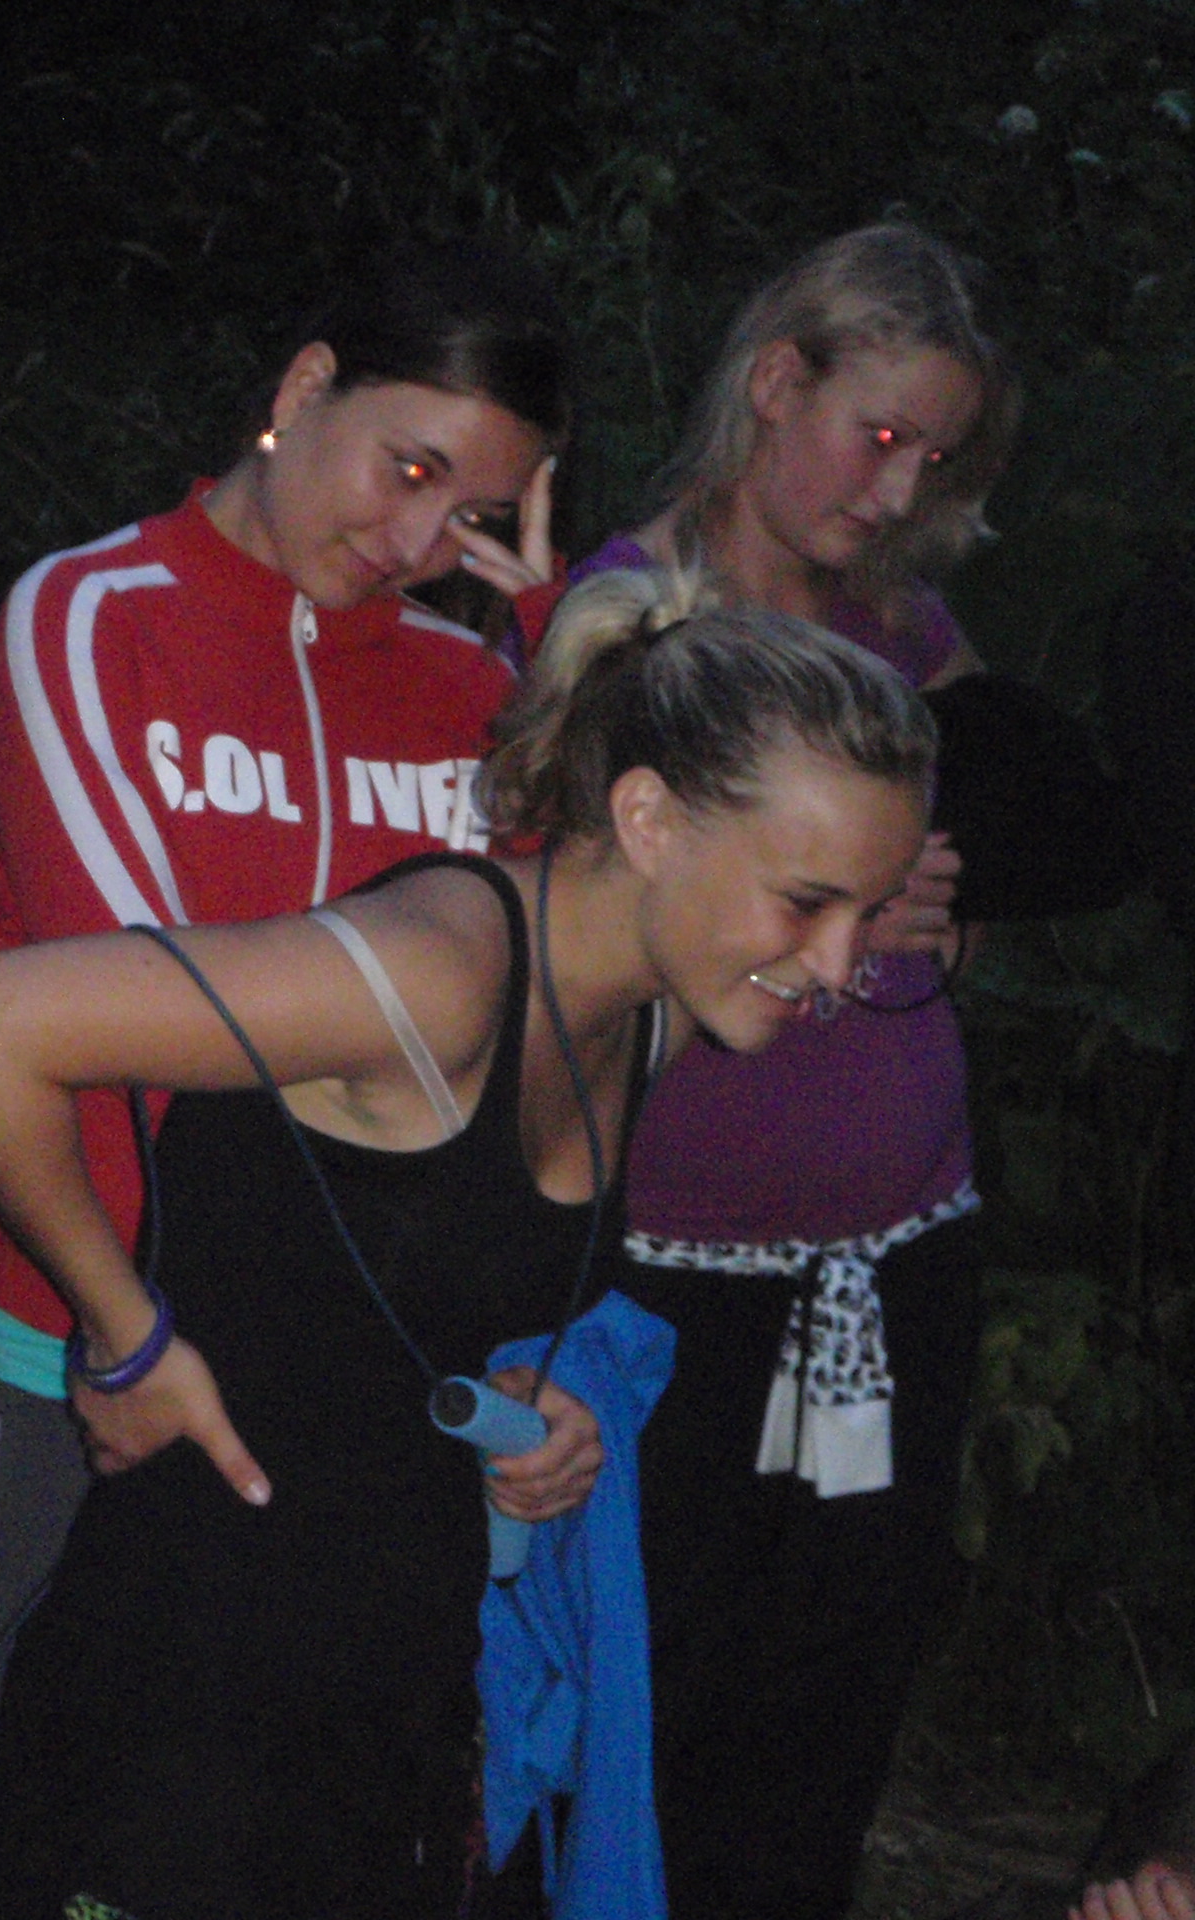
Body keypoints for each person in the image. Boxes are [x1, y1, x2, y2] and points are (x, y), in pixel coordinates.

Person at [0, 566, 941, 1918]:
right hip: (180, 1712)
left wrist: (543, 1396)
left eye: (866, 916)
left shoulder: (648, 1017)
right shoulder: (432, 973)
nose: (836, 967)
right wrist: (125, 1331)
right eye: (804, 901)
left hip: (389, 1717)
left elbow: (421, 1285)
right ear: (649, 820)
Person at [0, 234, 570, 1914]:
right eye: (408, 468)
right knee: (50, 1835)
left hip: (370, 1403)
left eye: (472, 512)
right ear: (303, 389)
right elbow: (117, 1021)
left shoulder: (474, 688)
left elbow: (580, 989)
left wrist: (552, 621)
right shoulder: (92, 617)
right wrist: (124, 1328)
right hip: (99, 1353)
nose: (419, 543)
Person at [563, 224, 1023, 1920]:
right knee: (635, 1715)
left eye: (935, 456)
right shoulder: (623, 624)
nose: (899, 490)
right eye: (878, 433)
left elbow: (1004, 858)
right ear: (776, 380)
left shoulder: (908, 633)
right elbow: (557, 933)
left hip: (896, 1263)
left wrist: (948, 920)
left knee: (825, 1721)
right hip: (669, 1275)